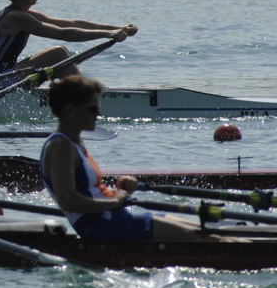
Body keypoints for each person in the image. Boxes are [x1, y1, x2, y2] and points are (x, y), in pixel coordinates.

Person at [40, 75, 203, 240]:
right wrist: (114, 202)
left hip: (110, 218)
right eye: (93, 109)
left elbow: (90, 192)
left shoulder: (74, 142)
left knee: (203, 230)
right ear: (70, 110)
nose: (99, 114)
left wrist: (118, 190)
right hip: (99, 226)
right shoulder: (61, 147)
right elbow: (68, 201)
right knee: (202, 237)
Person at [0, 0, 137, 89]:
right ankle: (83, 101)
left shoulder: (27, 14)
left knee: (60, 56)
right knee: (58, 53)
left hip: (5, 75)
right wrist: (107, 34)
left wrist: (117, 28)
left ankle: (72, 96)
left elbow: (71, 24)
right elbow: (63, 33)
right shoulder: (15, 18)